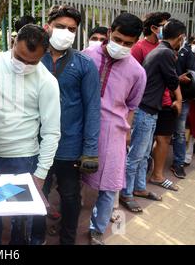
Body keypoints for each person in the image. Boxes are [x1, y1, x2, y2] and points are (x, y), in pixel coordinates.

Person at [0, 24, 61, 245]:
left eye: (31, 62)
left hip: (22, 161)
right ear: (13, 43)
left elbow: (52, 132)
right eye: (19, 58)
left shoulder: (47, 83)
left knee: (21, 220)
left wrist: (40, 173)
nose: (23, 66)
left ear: (42, 55)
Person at [31, 5, 101, 246]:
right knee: (37, 192)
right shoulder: (32, 58)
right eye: (60, 26)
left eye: (71, 29)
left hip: (69, 145)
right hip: (36, 144)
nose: (66, 32)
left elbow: (93, 109)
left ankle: (68, 239)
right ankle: (36, 237)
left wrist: (90, 150)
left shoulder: (84, 65)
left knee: (70, 197)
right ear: (47, 26)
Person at [82, 13, 147, 245]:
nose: (121, 46)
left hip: (112, 134)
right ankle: (67, 221)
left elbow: (131, 106)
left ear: (136, 42)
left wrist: (126, 133)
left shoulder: (138, 72)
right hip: (81, 129)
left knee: (109, 185)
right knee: (72, 181)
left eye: (128, 44)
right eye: (118, 39)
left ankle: (98, 228)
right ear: (110, 32)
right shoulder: (85, 57)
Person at [120, 19, 185, 213]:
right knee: (136, 155)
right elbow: (172, 80)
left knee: (144, 154)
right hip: (145, 109)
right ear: (180, 38)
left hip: (150, 109)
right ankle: (126, 193)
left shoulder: (159, 50)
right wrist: (179, 99)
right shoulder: (165, 52)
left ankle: (139, 188)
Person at [130, 12, 179, 190]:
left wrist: (177, 97)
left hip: (162, 103)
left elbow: (171, 78)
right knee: (138, 151)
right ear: (153, 28)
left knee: (160, 142)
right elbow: (134, 78)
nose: (166, 29)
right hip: (146, 104)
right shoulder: (140, 48)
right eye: (163, 25)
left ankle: (149, 181)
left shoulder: (163, 48)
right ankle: (129, 191)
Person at [169, 38, 195, 180]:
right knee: (155, 133)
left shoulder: (187, 53)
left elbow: (190, 76)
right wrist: (177, 78)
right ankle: (148, 161)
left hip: (183, 99)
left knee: (179, 132)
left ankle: (178, 163)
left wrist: (186, 78)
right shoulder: (162, 51)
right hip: (161, 98)